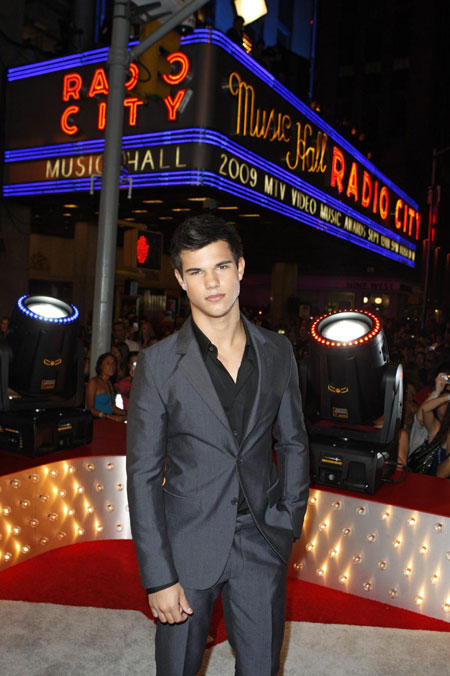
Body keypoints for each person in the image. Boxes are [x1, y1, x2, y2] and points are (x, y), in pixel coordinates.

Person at [126, 214, 310, 676]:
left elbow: (293, 442)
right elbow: (143, 475)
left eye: (221, 267)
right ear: (179, 280)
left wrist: (287, 522)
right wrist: (159, 576)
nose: (211, 282)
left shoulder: (277, 351)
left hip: (261, 538)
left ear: (241, 268)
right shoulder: (158, 364)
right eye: (196, 271)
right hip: (186, 545)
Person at [409, 370, 450, 477]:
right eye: (442, 401)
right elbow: (425, 409)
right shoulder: (434, 428)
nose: (446, 405)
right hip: (419, 481)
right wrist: (440, 393)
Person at [85, 352, 125, 421]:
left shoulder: (109, 383)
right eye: (108, 363)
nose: (112, 366)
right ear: (101, 366)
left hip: (108, 421)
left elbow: (112, 407)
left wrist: (127, 413)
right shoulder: (93, 382)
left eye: (113, 363)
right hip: (97, 421)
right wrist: (107, 416)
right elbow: (90, 408)